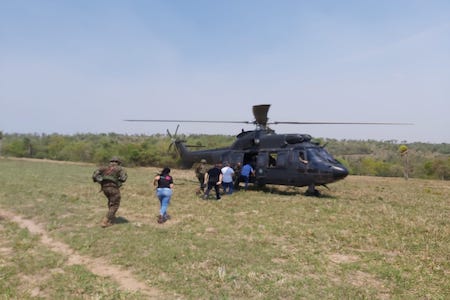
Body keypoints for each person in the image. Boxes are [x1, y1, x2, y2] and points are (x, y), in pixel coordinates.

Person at [92, 157, 128, 228]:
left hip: (104, 188)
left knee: (111, 201)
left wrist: (100, 181)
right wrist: (118, 181)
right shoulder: (119, 169)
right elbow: (123, 178)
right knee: (115, 204)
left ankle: (111, 217)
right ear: (118, 163)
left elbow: (94, 176)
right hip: (113, 188)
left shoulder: (103, 168)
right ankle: (105, 221)